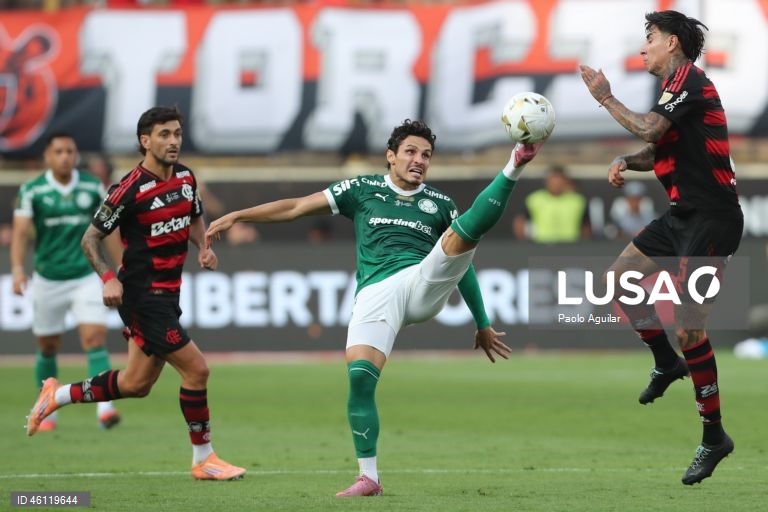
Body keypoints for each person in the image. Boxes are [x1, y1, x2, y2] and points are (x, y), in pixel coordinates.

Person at [206, 119, 545, 496]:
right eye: (411, 152)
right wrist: (239, 215)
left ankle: (514, 163)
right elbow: (298, 207)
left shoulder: (439, 204)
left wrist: (482, 322)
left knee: (462, 235)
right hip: (376, 292)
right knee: (360, 378)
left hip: (421, 281)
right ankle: (369, 477)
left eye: (426, 155)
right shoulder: (361, 189)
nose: (419, 160)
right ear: (391, 157)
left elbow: (461, 267)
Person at [24, 107, 245, 481]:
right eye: (164, 135)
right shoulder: (129, 189)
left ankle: (56, 395)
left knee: (135, 384)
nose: (173, 141)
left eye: (177, 133)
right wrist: (108, 277)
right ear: (145, 141)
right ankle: (204, 459)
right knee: (197, 369)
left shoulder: (187, 178)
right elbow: (90, 239)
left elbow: (192, 216)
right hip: (142, 297)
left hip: (169, 295)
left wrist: (202, 246)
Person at [580, 10, 743, 485]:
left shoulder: (690, 80)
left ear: (672, 43)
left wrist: (605, 98)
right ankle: (664, 361)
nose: (642, 47)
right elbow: (656, 147)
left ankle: (714, 436)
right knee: (617, 281)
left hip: (711, 219)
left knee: (690, 329)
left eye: (648, 38)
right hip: (681, 217)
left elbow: (651, 129)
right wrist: (627, 162)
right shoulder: (673, 91)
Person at [11, 132, 121, 432]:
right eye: (58, 151)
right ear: (47, 156)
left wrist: (120, 265)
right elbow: (20, 233)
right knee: (47, 345)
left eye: (70, 151)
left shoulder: (90, 186)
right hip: (48, 278)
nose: (65, 157)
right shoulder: (32, 190)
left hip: (86, 275)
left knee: (95, 337)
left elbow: (108, 229)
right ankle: (46, 410)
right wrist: (18, 269)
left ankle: (105, 409)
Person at [512, 165, 590, 242]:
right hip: (541, 246)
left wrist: (582, 245)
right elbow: (520, 221)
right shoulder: (534, 199)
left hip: (570, 246)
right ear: (547, 181)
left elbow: (585, 226)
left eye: (559, 180)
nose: (556, 184)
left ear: (566, 181)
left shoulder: (578, 201)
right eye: (553, 180)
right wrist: (525, 243)